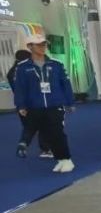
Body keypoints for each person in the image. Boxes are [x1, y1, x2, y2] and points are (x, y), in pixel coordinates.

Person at [13, 34, 75, 172]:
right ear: (30, 47)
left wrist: (70, 102)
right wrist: (21, 105)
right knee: (47, 135)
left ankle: (66, 159)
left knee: (57, 133)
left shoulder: (56, 64)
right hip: (35, 106)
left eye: (44, 44)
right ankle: (60, 160)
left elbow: (65, 84)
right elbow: (20, 88)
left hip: (55, 105)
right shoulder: (22, 67)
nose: (43, 47)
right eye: (39, 45)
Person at [10, 49, 50, 158]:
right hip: (36, 102)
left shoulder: (12, 71)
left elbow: (17, 90)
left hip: (22, 104)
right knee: (43, 126)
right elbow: (44, 86)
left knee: (29, 127)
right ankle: (45, 150)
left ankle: (23, 143)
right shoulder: (31, 70)